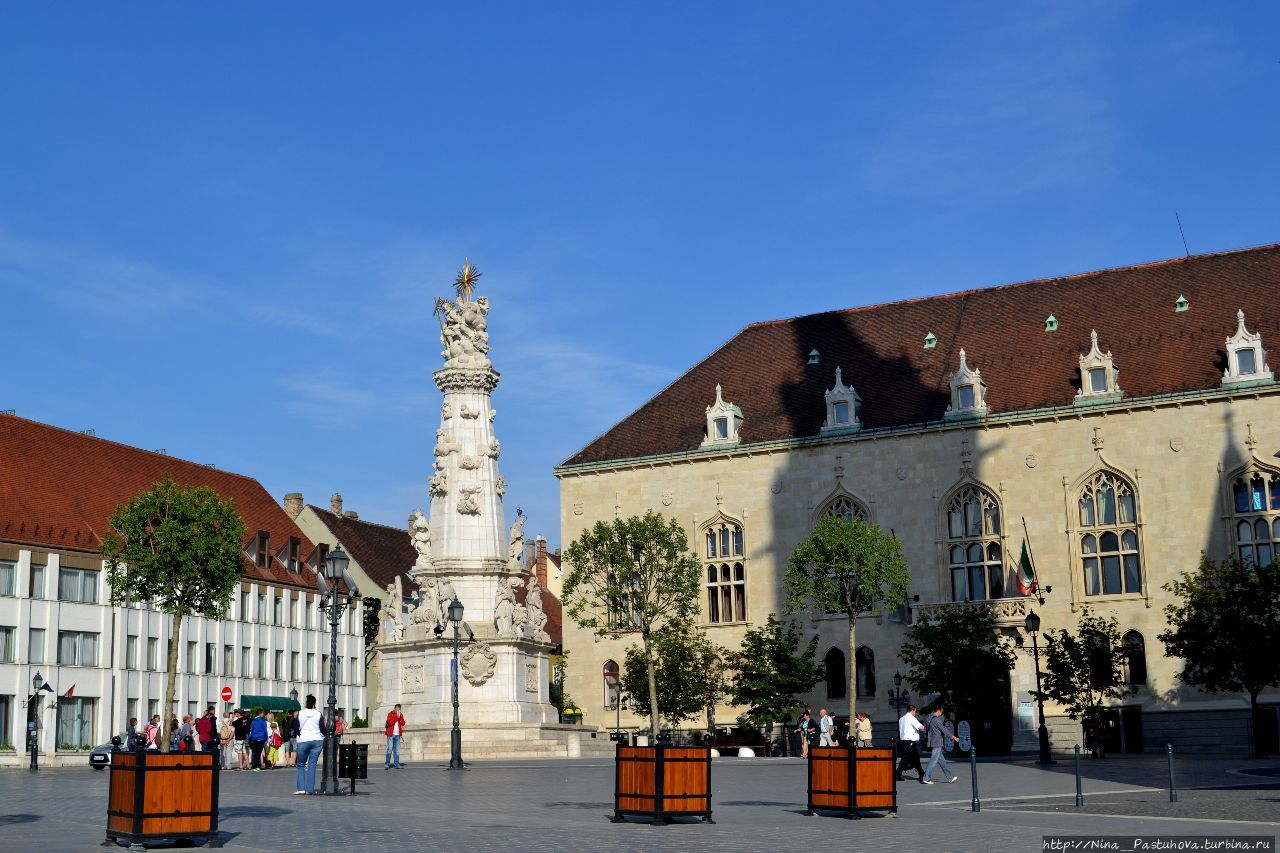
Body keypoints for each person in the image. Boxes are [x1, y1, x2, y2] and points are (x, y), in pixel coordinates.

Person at [922, 707, 961, 784]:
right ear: (938, 711)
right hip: (937, 742)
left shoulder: (928, 718)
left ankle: (950, 777)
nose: (941, 714)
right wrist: (954, 738)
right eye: (941, 712)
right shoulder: (936, 720)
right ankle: (926, 778)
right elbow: (945, 730)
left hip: (932, 741)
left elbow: (925, 730)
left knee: (942, 761)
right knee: (933, 761)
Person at [295, 695, 325, 795]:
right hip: (317, 740)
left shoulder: (300, 713)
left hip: (303, 740)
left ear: (306, 702)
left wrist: (301, 735)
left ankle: (301, 789)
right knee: (312, 765)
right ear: (314, 704)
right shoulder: (318, 714)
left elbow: (296, 728)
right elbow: (323, 729)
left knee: (300, 765)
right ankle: (309, 789)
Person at [896, 705, 926, 783]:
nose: (915, 713)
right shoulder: (911, 718)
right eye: (915, 711)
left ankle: (922, 773)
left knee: (916, 758)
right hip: (910, 742)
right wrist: (929, 728)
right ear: (913, 710)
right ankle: (897, 775)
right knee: (905, 759)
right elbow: (921, 728)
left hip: (904, 741)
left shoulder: (901, 719)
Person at [385, 703, 406, 769]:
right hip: (391, 735)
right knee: (390, 749)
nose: (398, 710)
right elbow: (390, 722)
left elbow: (403, 723)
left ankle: (397, 764)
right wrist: (396, 716)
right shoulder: (390, 714)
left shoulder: (401, 715)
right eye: (397, 709)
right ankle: (387, 763)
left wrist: (399, 717)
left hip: (397, 735)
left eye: (399, 709)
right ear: (394, 708)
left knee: (396, 750)